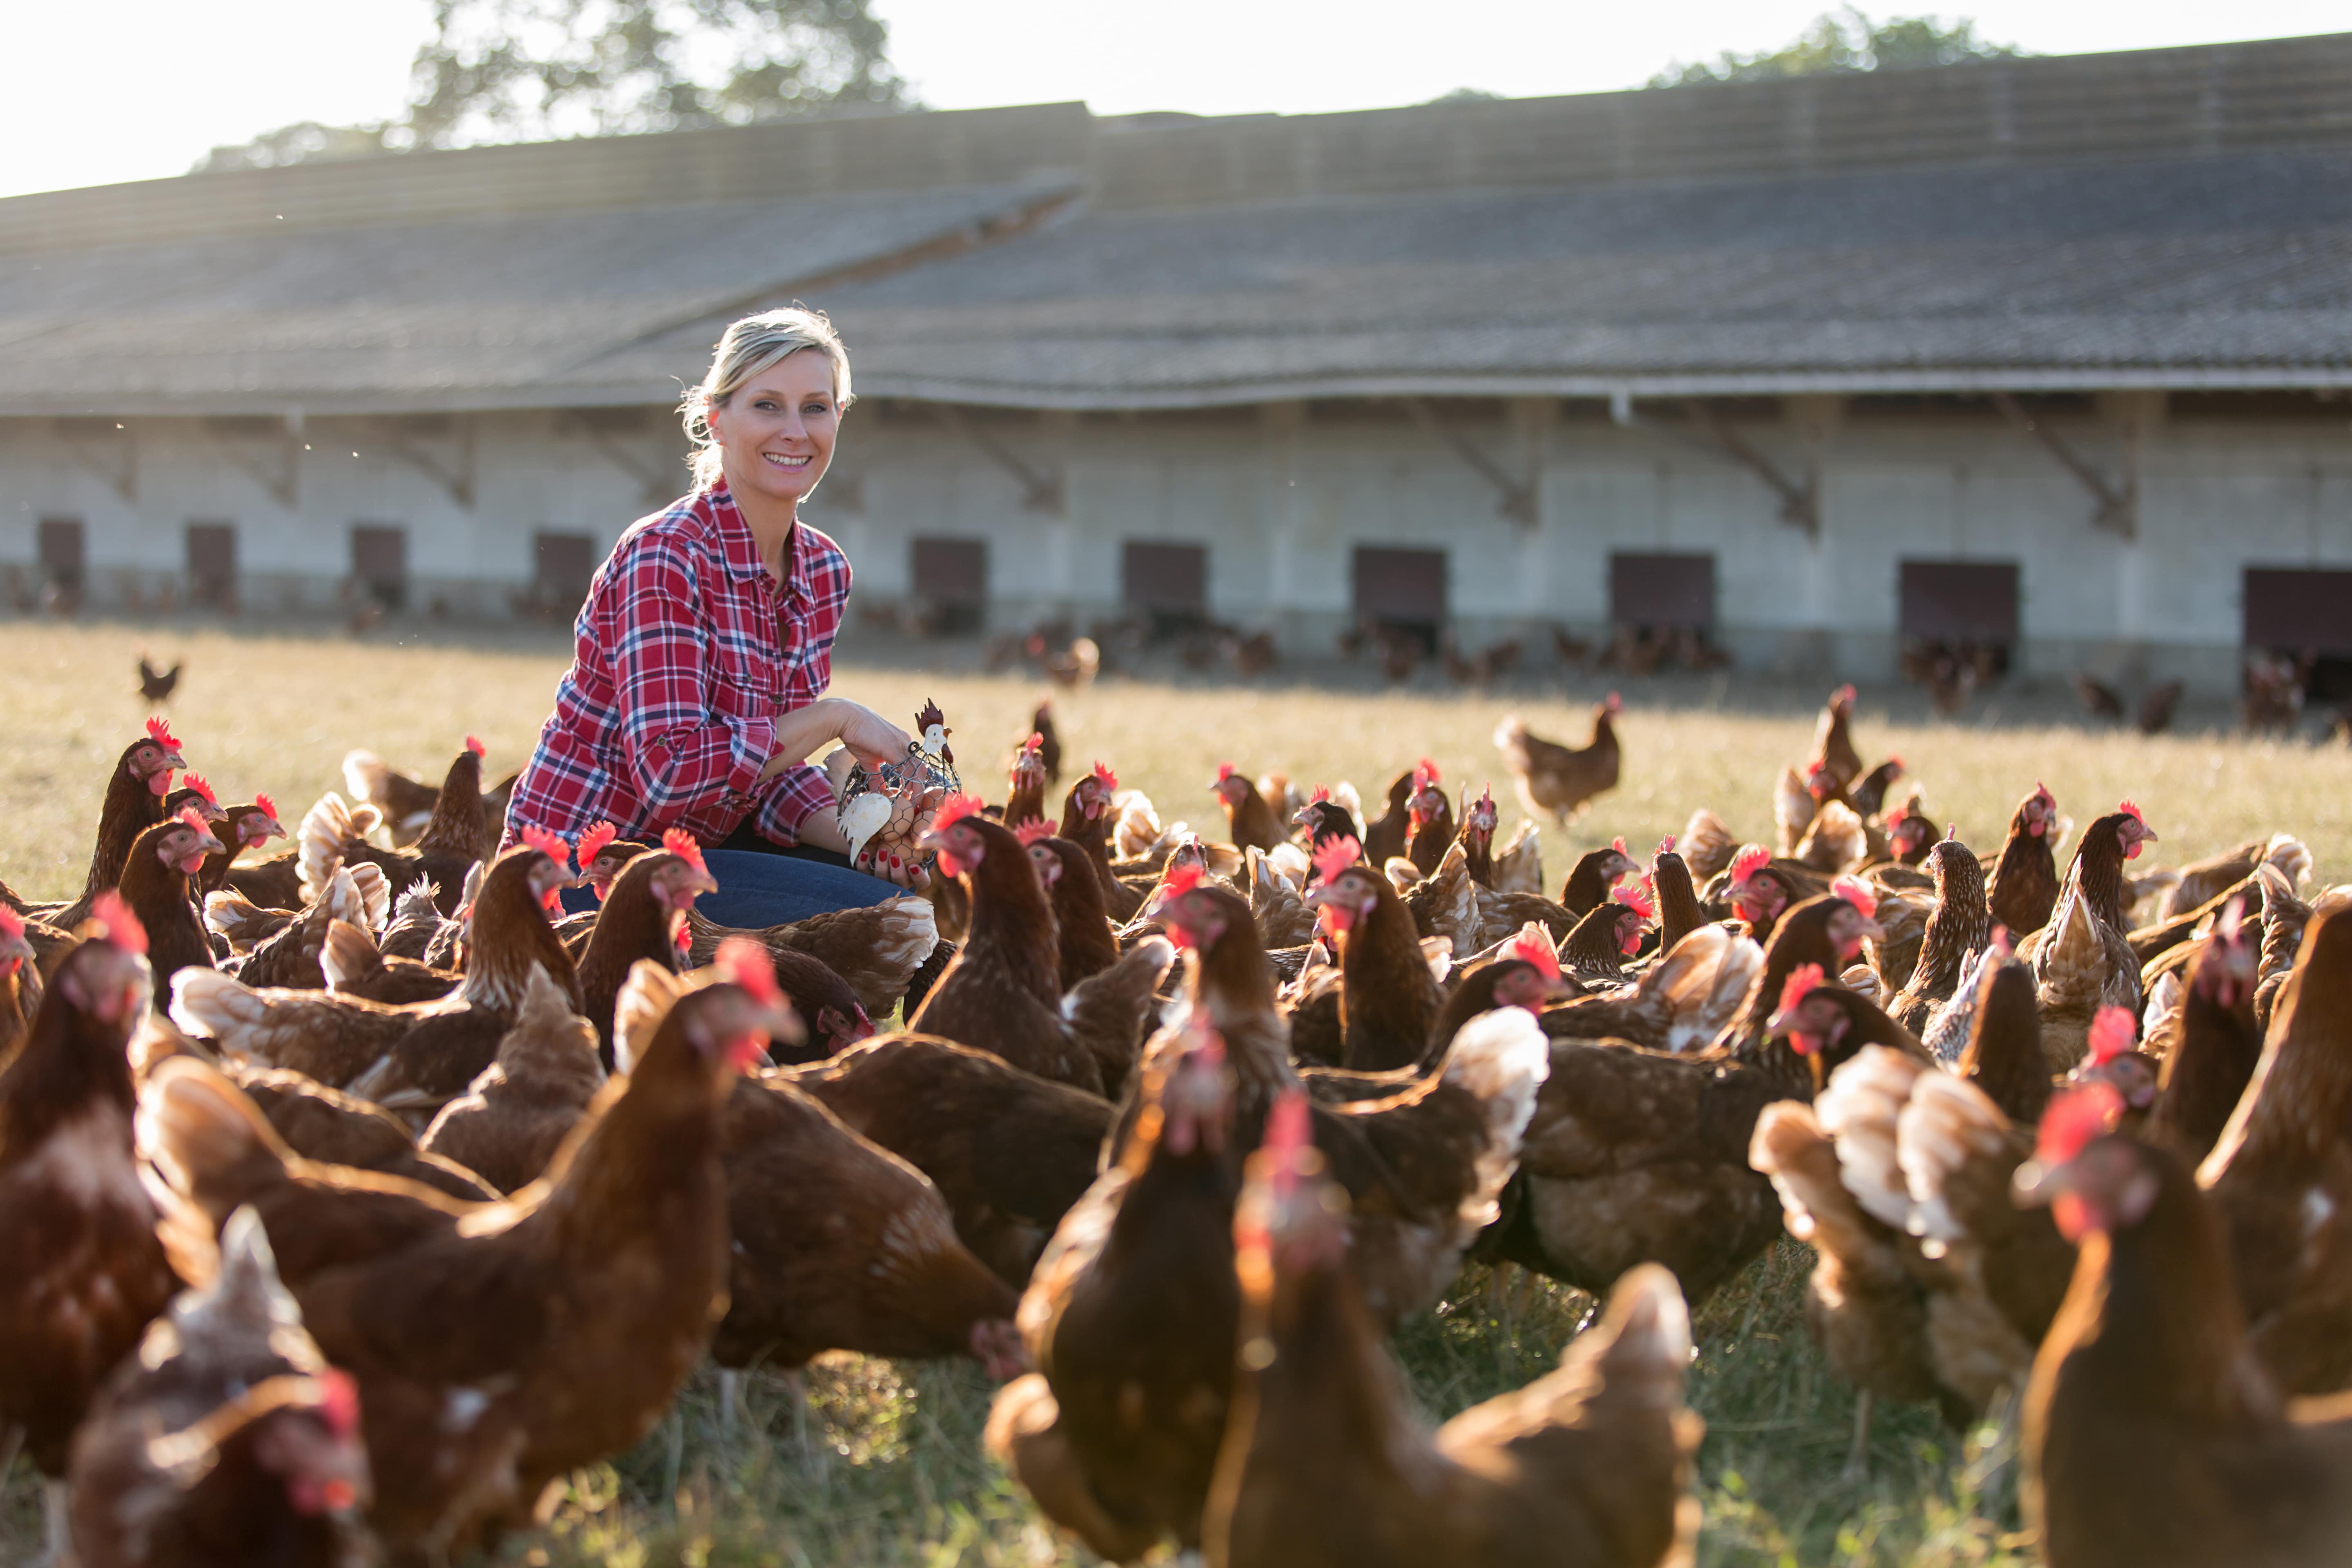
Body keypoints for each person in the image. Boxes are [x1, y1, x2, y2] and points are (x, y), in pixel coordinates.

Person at [504, 305, 928, 927]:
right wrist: (839, 718)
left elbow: (765, 775)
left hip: (694, 853)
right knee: (881, 921)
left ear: (839, 419)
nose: (794, 430)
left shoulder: (822, 570)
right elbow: (673, 777)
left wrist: (871, 835)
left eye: (816, 407)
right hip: (582, 870)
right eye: (767, 406)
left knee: (891, 888)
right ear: (716, 420)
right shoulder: (665, 556)